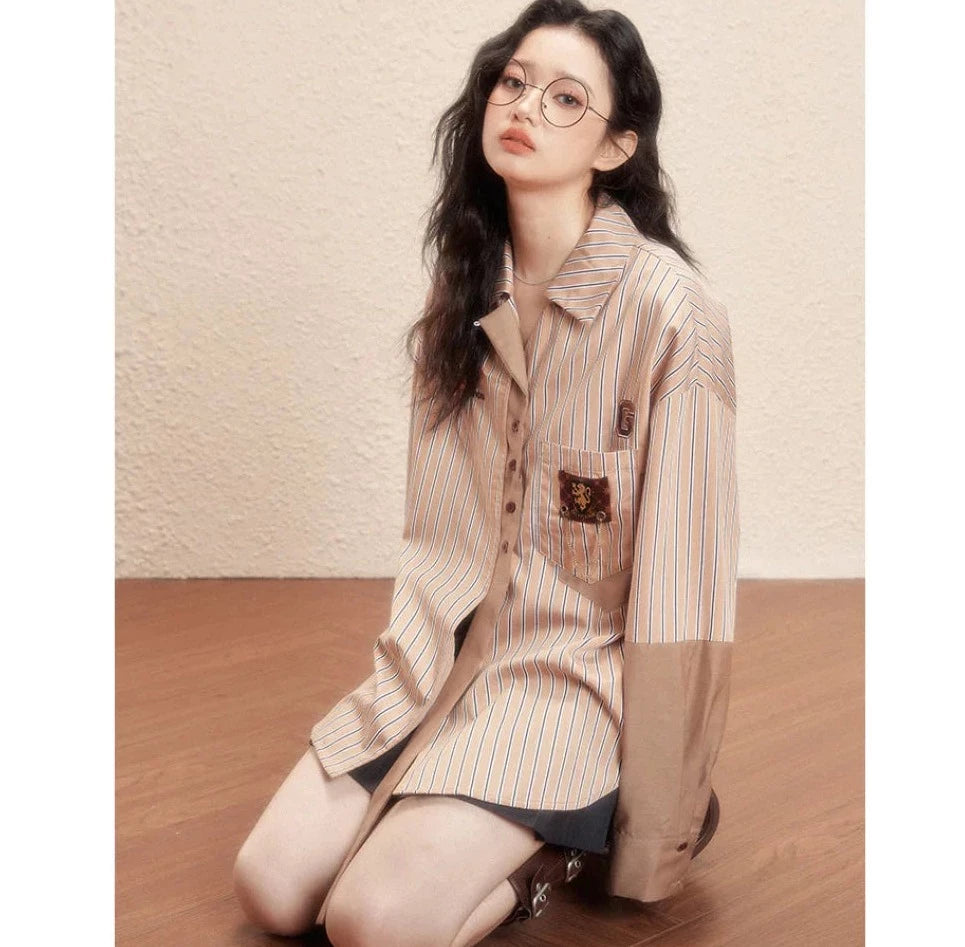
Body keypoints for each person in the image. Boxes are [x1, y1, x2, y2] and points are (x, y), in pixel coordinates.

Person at [232, 1, 740, 944]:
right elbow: (439, 538)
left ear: (616, 146)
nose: (525, 107)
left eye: (565, 98)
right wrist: (406, 669)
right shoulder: (463, 284)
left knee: (371, 923)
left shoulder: (675, 317)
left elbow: (685, 598)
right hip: (436, 664)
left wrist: (657, 825)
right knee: (269, 888)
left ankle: (559, 843)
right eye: (513, 82)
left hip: (566, 683)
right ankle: (445, 808)